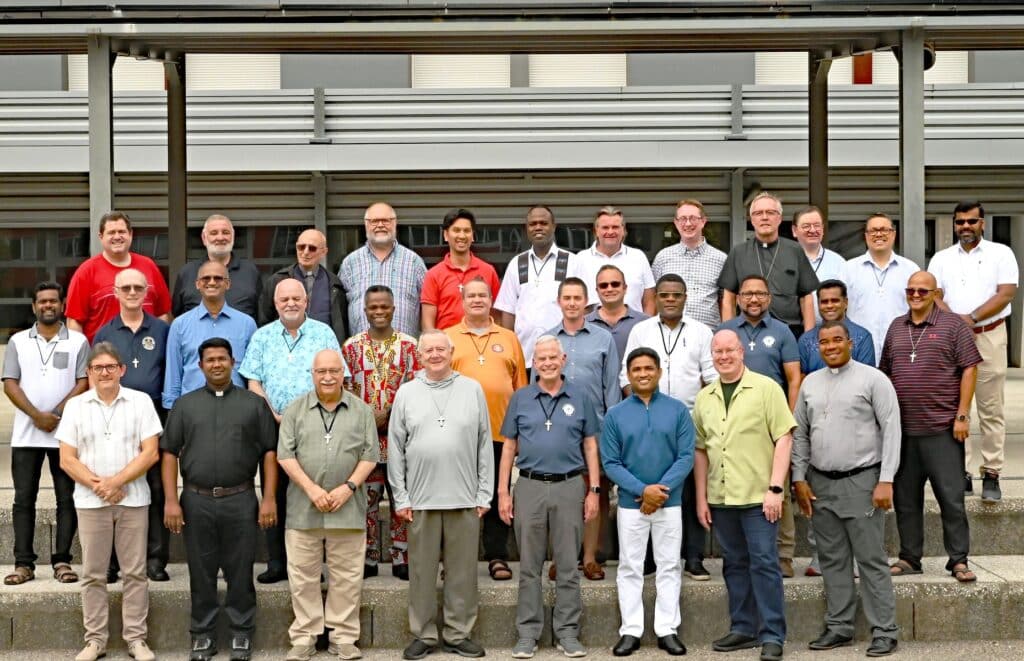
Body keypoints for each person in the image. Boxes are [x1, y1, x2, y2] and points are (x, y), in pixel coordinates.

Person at [161, 337, 279, 661]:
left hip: (241, 498)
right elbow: (169, 453)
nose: (216, 364)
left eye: (222, 359)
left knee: (241, 570)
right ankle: (202, 635)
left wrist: (268, 498)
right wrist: (171, 501)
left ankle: (241, 633)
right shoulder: (184, 406)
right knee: (201, 571)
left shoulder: (253, 405)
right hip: (196, 500)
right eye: (210, 360)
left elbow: (269, 453)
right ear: (200, 366)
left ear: (233, 362)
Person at [792, 321, 901, 658]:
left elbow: (892, 429)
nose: (831, 346)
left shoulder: (873, 379)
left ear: (850, 343)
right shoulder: (810, 382)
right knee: (832, 559)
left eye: (837, 340)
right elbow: (800, 434)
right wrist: (799, 478)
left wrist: (886, 479)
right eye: (824, 342)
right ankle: (839, 626)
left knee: (870, 559)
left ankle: (884, 631)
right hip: (821, 483)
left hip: (863, 482)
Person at [388, 330, 493, 661]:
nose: (435, 355)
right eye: (428, 350)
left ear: (451, 352)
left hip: (464, 497)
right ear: (419, 356)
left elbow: (484, 443)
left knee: (462, 573)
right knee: (421, 573)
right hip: (421, 500)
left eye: (440, 349)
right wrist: (401, 497)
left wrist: (484, 492)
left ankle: (458, 633)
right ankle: (423, 634)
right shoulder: (407, 393)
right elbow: (395, 448)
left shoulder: (472, 389)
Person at [693, 329, 795, 661]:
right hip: (721, 497)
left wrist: (776, 488)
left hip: (759, 496)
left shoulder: (767, 389)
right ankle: (743, 628)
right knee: (734, 564)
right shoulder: (705, 397)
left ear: (741, 352)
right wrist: (701, 498)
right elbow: (700, 450)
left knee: (764, 564)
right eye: (717, 352)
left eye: (729, 350)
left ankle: (772, 634)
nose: (723, 356)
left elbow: (784, 438)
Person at [56, 343, 161, 661]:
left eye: (110, 367)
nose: (104, 372)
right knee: (93, 574)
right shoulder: (75, 406)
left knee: (135, 573)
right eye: (98, 368)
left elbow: (150, 453)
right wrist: (100, 486)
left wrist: (116, 482)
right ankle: (95, 641)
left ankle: (136, 639)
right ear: (88, 372)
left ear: (122, 370)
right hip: (90, 503)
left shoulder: (140, 402)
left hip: (133, 500)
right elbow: (67, 459)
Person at [498, 335, 600, 659]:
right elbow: (509, 447)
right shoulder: (521, 398)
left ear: (563, 359)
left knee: (568, 564)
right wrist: (503, 491)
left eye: (553, 357)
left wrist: (594, 490)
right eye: (541, 358)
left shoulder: (580, 396)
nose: (547, 363)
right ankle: (528, 633)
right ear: (534, 363)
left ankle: (567, 633)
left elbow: (590, 446)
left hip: (569, 486)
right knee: (529, 566)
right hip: (529, 486)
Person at [880, 271, 982, 584]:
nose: (915, 295)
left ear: (936, 293)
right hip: (904, 433)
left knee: (951, 500)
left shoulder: (953, 326)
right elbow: (886, 372)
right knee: (906, 500)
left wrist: (962, 415)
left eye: (923, 291)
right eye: (910, 290)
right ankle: (910, 558)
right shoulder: (896, 327)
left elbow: (970, 368)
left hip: (942, 430)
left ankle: (959, 560)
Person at [277, 349, 379, 661]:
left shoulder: (361, 410)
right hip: (303, 508)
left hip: (347, 507)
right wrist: (311, 490)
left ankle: (343, 637)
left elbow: (370, 455)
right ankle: (305, 637)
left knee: (347, 577)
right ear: (312, 374)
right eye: (321, 371)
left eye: (334, 371)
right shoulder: (295, 410)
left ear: (343, 373)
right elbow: (285, 455)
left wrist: (348, 488)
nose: (328, 377)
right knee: (303, 577)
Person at [240, 278, 343, 584]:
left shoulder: (323, 333)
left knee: (311, 492)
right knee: (274, 492)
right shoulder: (262, 336)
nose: (290, 303)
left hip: (315, 426)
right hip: (272, 426)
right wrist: (273, 414)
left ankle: (311, 565)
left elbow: (336, 378)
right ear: (275, 304)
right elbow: (253, 381)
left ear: (306, 301)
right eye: (284, 299)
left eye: (296, 298)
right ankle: (277, 562)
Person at [619, 273, 715, 581]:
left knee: (691, 489)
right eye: (664, 295)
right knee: (650, 482)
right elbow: (626, 376)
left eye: (676, 294)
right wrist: (638, 413)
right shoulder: (641, 330)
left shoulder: (702, 332)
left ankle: (694, 557)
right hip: (649, 419)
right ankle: (648, 559)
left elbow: (711, 377)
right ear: (656, 298)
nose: (670, 299)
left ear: (685, 298)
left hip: (690, 419)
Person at [602, 348, 694, 658]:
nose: (643, 373)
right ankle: (631, 630)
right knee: (630, 566)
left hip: (669, 502)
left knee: (669, 565)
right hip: (631, 505)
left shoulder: (677, 410)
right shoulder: (615, 415)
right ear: (628, 375)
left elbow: (685, 456)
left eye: (648, 368)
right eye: (637, 369)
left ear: (659, 372)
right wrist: (643, 491)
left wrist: (659, 493)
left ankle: (667, 629)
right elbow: (611, 462)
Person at [928, 200, 1019, 501]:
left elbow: (1006, 294)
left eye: (971, 221)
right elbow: (934, 295)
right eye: (960, 222)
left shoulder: (1001, 253)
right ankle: (960, 472)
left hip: (989, 335)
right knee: (957, 406)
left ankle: (991, 473)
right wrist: (956, 323)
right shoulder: (941, 258)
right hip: (952, 339)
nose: (965, 226)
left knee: (991, 408)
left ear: (983, 223)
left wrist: (972, 318)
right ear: (954, 224)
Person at [2, 282, 88, 587]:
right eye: (42, 301)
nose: (48, 305)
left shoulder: (78, 341)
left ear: (62, 306)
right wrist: (37, 416)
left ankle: (62, 560)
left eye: (53, 301)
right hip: (26, 436)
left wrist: (57, 414)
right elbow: (9, 383)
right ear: (34, 307)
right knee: (24, 500)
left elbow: (83, 381)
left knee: (68, 498)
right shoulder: (18, 341)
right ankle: (23, 563)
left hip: (65, 435)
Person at [718, 274, 801, 578]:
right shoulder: (726, 331)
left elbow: (793, 378)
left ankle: (784, 554)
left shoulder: (782, 331)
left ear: (769, 298)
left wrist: (788, 422)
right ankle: (743, 552)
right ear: (738, 299)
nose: (754, 299)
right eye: (748, 294)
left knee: (780, 487)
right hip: (734, 420)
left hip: (771, 421)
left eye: (760, 294)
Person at [446, 277, 527, 582]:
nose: (477, 300)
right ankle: (457, 559)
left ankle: (497, 555)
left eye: (483, 295)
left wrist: (521, 431)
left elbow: (521, 388)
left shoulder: (509, 338)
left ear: (491, 300)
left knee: (496, 494)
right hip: (459, 435)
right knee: (459, 498)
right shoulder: (448, 336)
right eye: (471, 296)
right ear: (462, 301)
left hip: (500, 432)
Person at [94, 268, 172, 582]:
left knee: (156, 486)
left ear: (147, 291)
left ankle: (155, 559)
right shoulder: (105, 333)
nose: (131, 293)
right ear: (115, 292)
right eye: (125, 287)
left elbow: (171, 372)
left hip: (154, 415)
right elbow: (96, 376)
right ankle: (112, 561)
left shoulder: (163, 330)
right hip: (115, 415)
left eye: (137, 287)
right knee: (116, 482)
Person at [341, 285, 420, 581]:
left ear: (394, 309)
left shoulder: (410, 346)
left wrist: (389, 415)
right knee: (366, 502)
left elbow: (417, 388)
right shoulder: (351, 347)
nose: (379, 311)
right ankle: (369, 557)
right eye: (373, 307)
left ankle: (402, 557)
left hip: (401, 440)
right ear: (364, 311)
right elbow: (345, 390)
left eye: (384, 306)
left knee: (402, 499)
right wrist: (367, 419)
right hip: (365, 443)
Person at [548, 276, 620, 580]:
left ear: (586, 302)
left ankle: (590, 557)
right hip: (558, 430)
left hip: (596, 427)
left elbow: (611, 386)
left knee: (596, 491)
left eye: (578, 298)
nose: (572, 303)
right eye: (567, 298)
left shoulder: (603, 339)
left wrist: (613, 428)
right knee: (560, 495)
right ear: (559, 302)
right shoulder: (548, 339)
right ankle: (562, 557)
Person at [718, 193, 818, 339]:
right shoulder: (738, 252)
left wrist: (808, 338)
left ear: (780, 218)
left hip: (790, 332)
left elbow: (806, 298)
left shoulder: (795, 250)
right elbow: (729, 299)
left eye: (770, 212)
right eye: (758, 213)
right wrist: (729, 335)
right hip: (748, 333)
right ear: (751, 219)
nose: (764, 217)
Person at [494, 204, 584, 364]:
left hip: (563, 355)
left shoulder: (572, 262)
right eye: (533, 224)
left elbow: (586, 308)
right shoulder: (517, 263)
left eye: (543, 223)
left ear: (553, 226)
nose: (538, 227)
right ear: (526, 228)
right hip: (525, 355)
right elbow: (508, 311)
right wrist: (509, 350)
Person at [162, 260, 257, 410]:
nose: (212, 282)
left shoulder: (247, 324)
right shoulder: (180, 325)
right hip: (192, 409)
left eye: (218, 278)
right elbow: (173, 372)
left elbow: (254, 374)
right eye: (206, 278)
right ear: (197, 284)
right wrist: (171, 407)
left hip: (236, 408)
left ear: (228, 284)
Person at [65, 211, 171, 342]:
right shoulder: (86, 272)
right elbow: (74, 321)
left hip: (146, 349)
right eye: (111, 232)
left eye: (121, 232)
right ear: (101, 236)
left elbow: (162, 313)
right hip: (104, 351)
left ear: (130, 234)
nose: (117, 237)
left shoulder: (149, 266)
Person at [339, 201, 427, 338]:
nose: (380, 225)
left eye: (386, 220)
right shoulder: (350, 263)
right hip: (360, 349)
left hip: (405, 348)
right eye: (374, 221)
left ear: (395, 223)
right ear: (366, 224)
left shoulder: (414, 261)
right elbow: (340, 309)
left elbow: (427, 306)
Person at [841, 213, 919, 363]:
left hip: (902, 350)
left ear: (894, 234)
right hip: (859, 352)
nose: (878, 234)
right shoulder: (848, 269)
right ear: (865, 236)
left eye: (884, 230)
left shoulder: (910, 269)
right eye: (873, 230)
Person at [261, 228, 349, 343]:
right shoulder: (277, 281)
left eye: (312, 248)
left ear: (324, 252)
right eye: (301, 247)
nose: (305, 252)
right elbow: (264, 320)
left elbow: (341, 325)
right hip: (285, 348)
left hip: (323, 348)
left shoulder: (334, 284)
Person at [421, 208, 501, 331]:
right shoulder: (433, 274)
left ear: (472, 235)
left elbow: (497, 317)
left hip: (482, 340)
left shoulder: (488, 271)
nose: (462, 236)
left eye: (467, 231)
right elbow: (428, 324)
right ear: (446, 235)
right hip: (446, 341)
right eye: (456, 230)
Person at [652, 198, 728, 329]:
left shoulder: (720, 259)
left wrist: (726, 331)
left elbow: (726, 301)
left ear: (703, 221)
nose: (688, 223)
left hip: (708, 333)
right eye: (683, 219)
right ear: (676, 223)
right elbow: (654, 297)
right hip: (668, 332)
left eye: (693, 218)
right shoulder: (662, 257)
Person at [172, 214, 263, 319]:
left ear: (233, 237)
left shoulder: (250, 272)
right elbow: (177, 314)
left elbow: (261, 315)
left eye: (226, 232)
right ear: (204, 238)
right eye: (214, 233)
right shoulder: (187, 272)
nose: (220, 238)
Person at [576, 206, 656, 315]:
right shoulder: (581, 259)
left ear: (623, 231)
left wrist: (646, 324)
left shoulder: (638, 257)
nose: (610, 232)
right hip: (591, 325)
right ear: (596, 231)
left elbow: (649, 301)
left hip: (634, 325)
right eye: (605, 227)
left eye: (615, 227)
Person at [797, 279, 876, 376]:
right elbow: (802, 378)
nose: (829, 305)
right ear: (818, 305)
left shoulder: (862, 337)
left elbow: (868, 377)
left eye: (835, 301)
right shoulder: (806, 340)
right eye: (824, 302)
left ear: (845, 303)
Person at [791, 206, 845, 322]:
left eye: (817, 225)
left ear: (823, 229)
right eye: (806, 226)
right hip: (791, 329)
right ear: (794, 231)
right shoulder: (784, 260)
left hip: (829, 329)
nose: (812, 230)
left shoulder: (838, 262)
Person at [584, 264, 649, 361]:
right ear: (597, 291)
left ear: (625, 288)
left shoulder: (645, 323)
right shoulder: (583, 324)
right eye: (603, 285)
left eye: (615, 284)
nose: (609, 289)